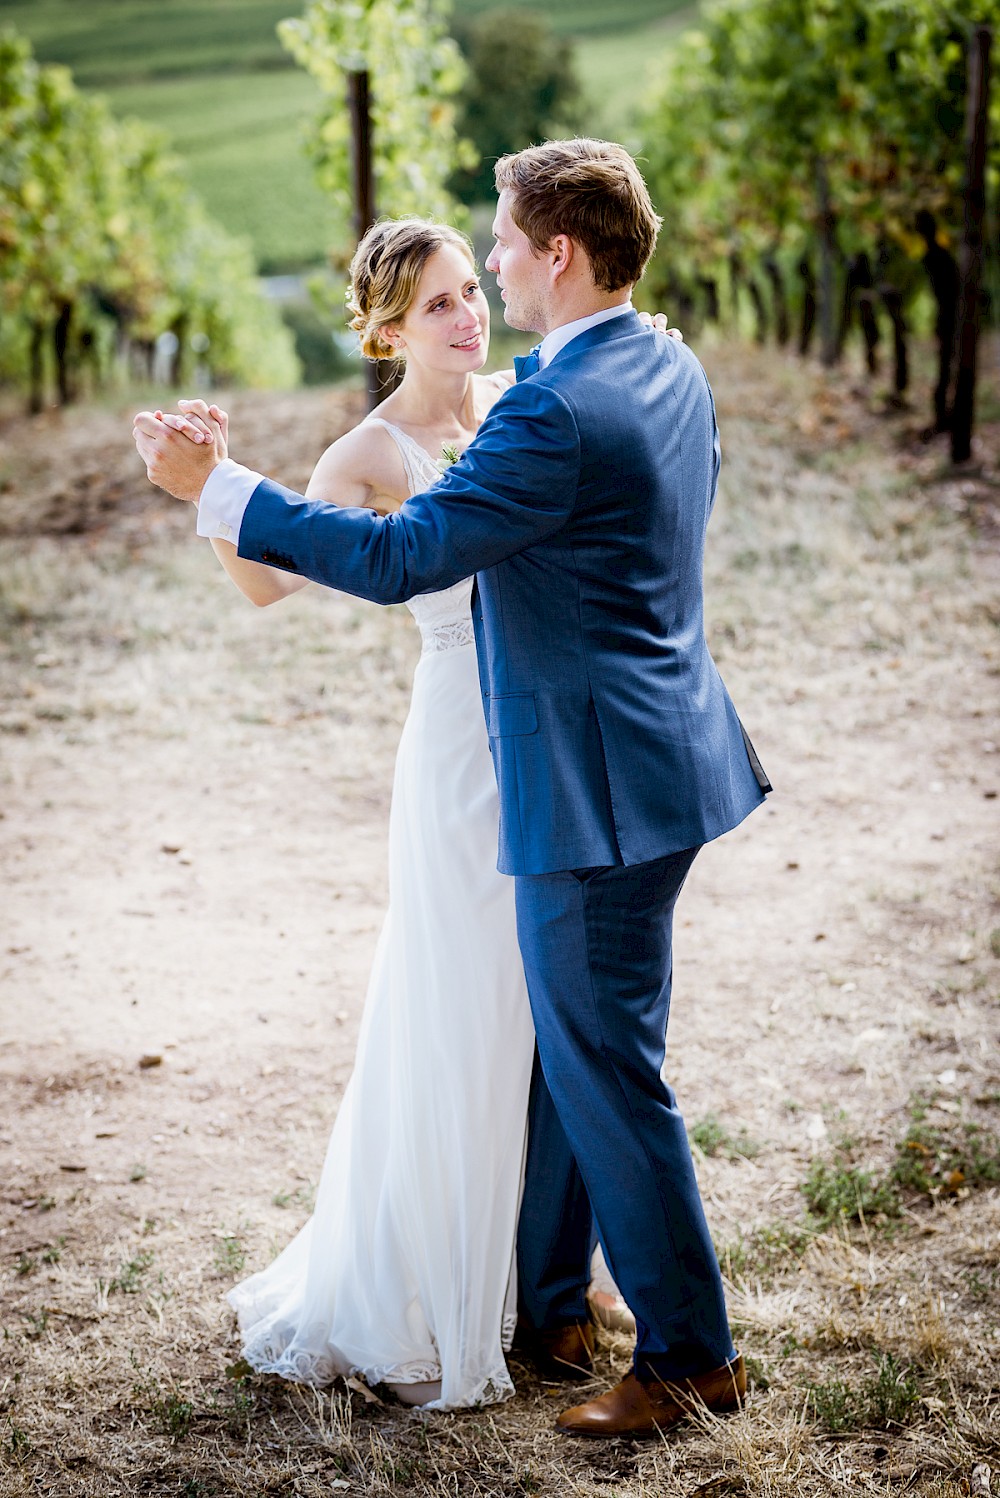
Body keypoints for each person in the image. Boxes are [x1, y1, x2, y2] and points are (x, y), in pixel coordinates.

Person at [134, 137, 771, 1439]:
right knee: (565, 1051)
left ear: (558, 255)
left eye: (498, 245)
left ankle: (689, 1355)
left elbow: (408, 554)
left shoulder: (542, 404)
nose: (485, 269)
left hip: (585, 779)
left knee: (600, 1070)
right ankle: (547, 1298)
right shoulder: (664, 357)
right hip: (655, 758)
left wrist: (223, 490)